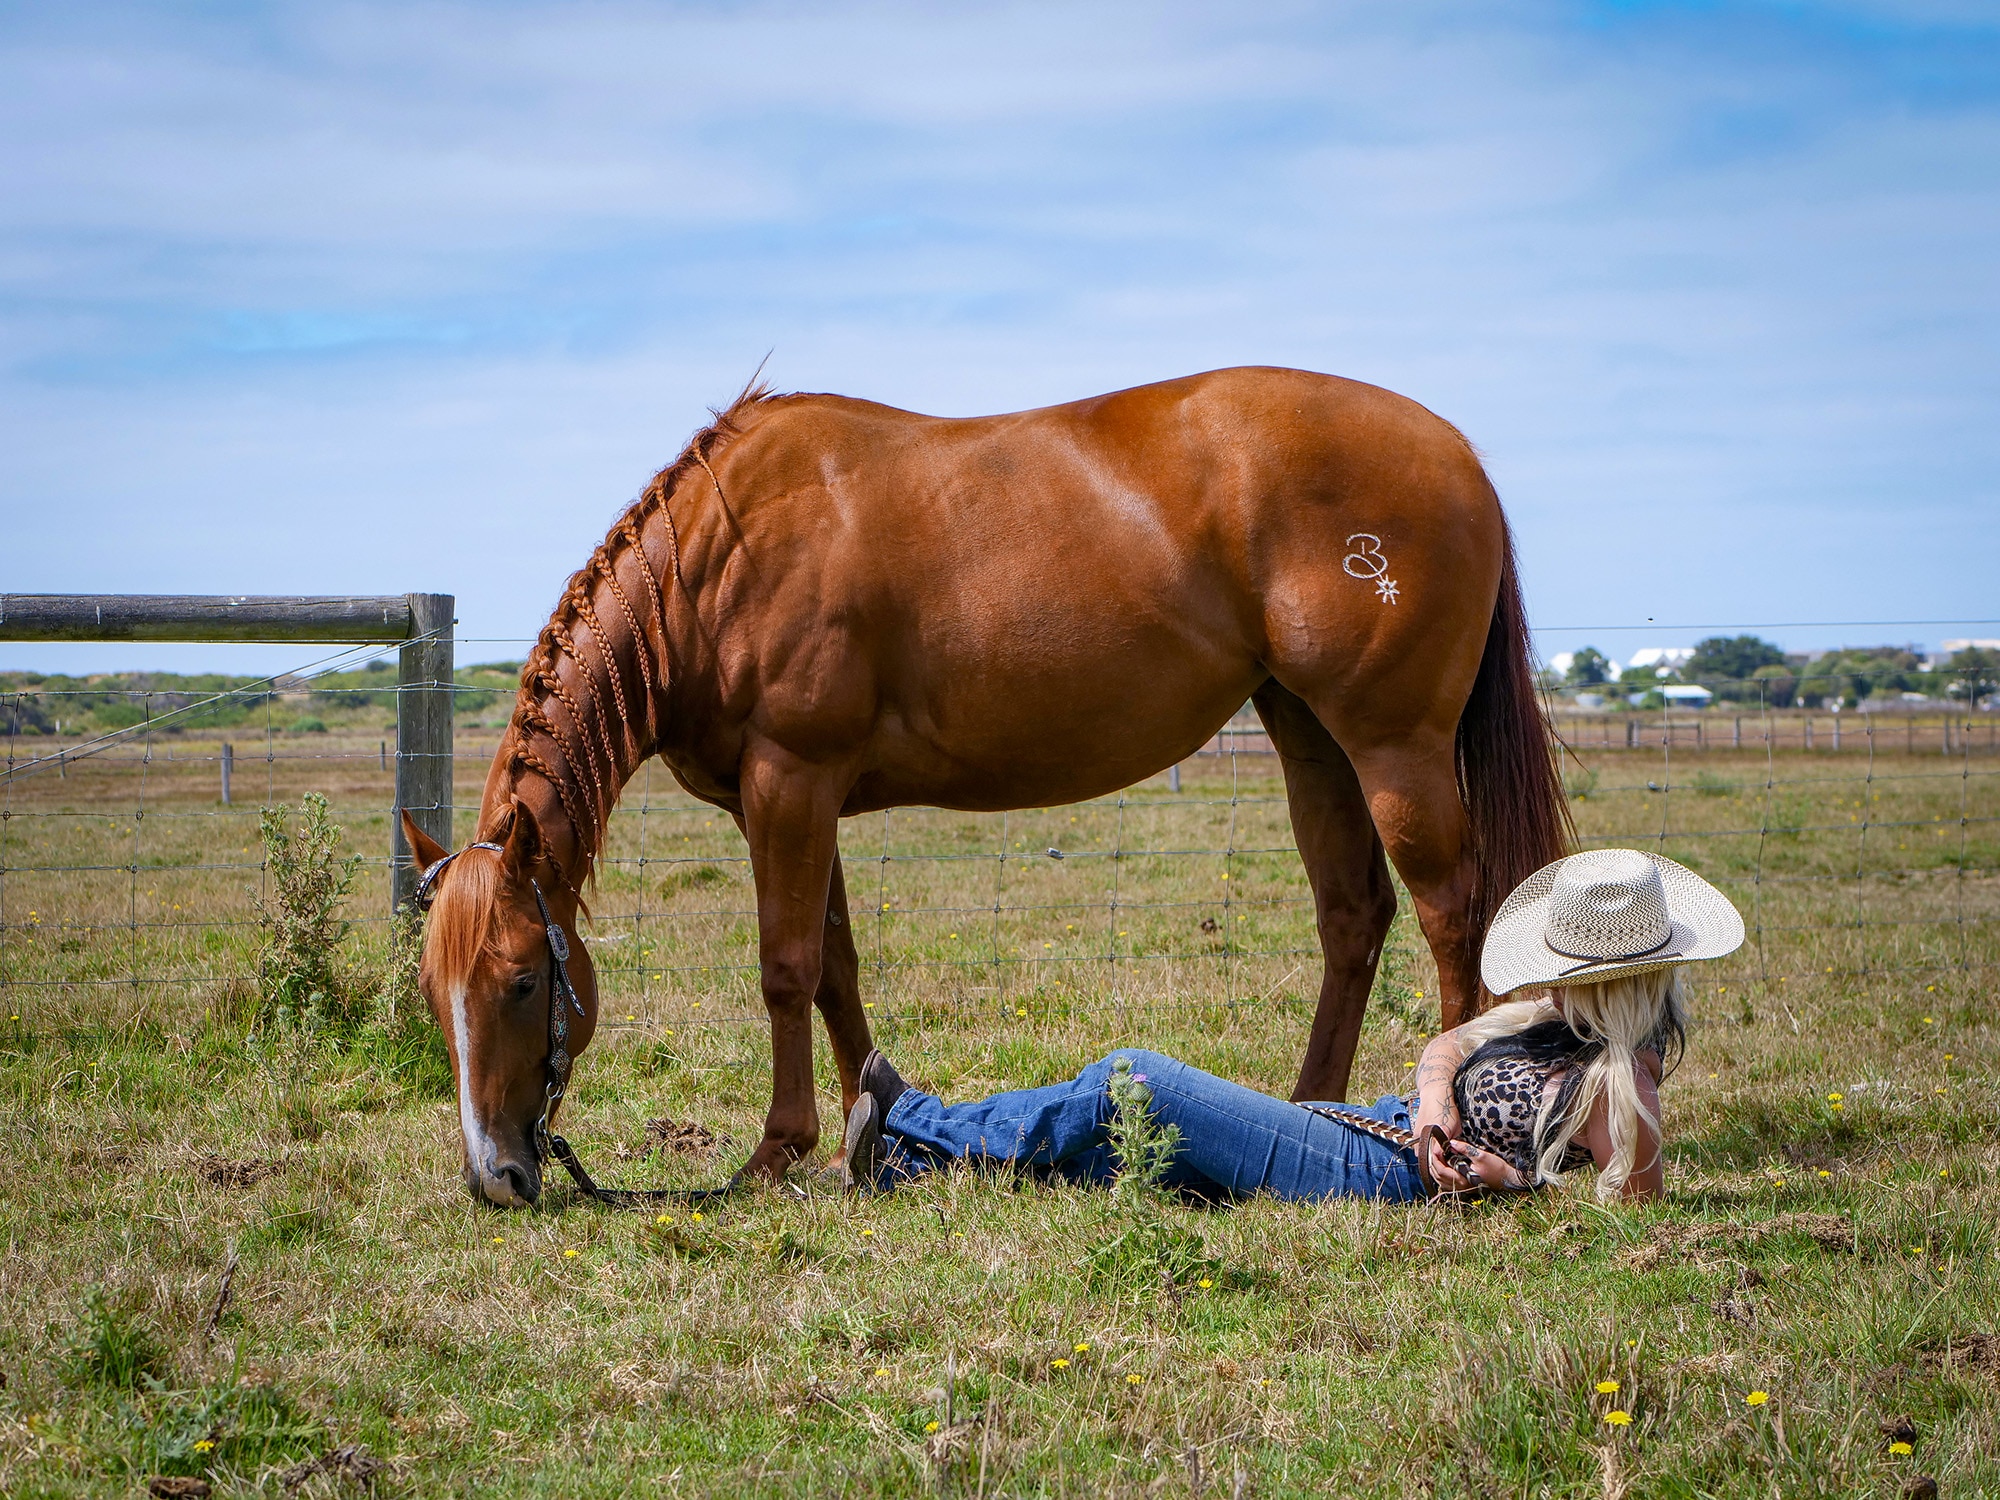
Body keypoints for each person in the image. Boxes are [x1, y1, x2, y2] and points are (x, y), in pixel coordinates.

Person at [841, 848, 1742, 1204]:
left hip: (1374, 1178)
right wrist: (1435, 1103)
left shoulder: (1625, 1084)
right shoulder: (1556, 1020)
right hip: (1377, 1125)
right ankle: (908, 1168)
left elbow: (1633, 1223)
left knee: (1135, 1077)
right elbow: (1448, 1044)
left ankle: (916, 1119)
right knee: (1128, 1153)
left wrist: (1511, 1185)